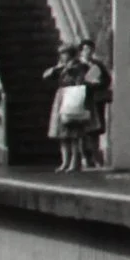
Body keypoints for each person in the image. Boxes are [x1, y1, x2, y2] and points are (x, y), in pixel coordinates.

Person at [44, 42, 91, 173]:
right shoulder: (61, 67)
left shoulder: (79, 66)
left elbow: (83, 80)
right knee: (63, 135)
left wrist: (72, 73)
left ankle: (74, 163)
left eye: (64, 53)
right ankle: (65, 161)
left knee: (74, 134)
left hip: (73, 97)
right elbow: (46, 76)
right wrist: (56, 68)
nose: (62, 56)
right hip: (62, 97)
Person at [77, 38, 113, 168]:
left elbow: (107, 79)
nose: (89, 52)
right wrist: (89, 84)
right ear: (81, 50)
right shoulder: (77, 65)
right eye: (86, 49)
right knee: (83, 129)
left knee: (95, 129)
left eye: (91, 49)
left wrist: (99, 84)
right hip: (82, 99)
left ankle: (95, 155)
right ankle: (86, 156)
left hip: (96, 100)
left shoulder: (97, 64)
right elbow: (77, 81)